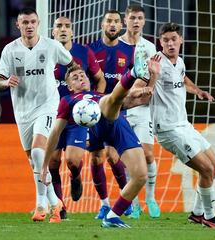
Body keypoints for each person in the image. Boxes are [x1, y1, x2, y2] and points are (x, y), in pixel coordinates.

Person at [41, 54, 162, 228]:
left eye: (82, 75)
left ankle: (112, 216)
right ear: (69, 86)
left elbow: (144, 99)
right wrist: (44, 166)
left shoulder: (99, 94)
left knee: (141, 175)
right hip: (99, 126)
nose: (80, 78)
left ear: (89, 80)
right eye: (75, 78)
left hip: (118, 126)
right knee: (111, 100)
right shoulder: (67, 101)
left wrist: (153, 78)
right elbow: (55, 132)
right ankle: (133, 73)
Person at [0, 7, 76, 223]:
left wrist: (73, 84)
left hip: (47, 106)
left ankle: (40, 204)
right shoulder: (10, 50)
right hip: (22, 112)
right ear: (18, 25)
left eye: (32, 22)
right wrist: (6, 82)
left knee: (40, 154)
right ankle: (55, 202)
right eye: (25, 22)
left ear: (38, 23)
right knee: (33, 162)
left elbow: (72, 64)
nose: (29, 26)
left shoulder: (51, 46)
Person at [148, 22, 215, 228]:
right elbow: (144, 89)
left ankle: (197, 213)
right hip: (167, 129)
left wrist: (199, 91)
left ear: (181, 40)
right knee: (207, 169)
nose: (170, 43)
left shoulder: (180, 62)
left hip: (183, 124)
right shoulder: (156, 63)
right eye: (166, 40)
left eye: (174, 39)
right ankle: (210, 217)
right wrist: (152, 77)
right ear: (160, 42)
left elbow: (183, 79)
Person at [49, 16, 106, 220]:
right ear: (53, 32)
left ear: (72, 31)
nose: (63, 29)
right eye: (59, 26)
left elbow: (99, 79)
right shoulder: (46, 52)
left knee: (73, 161)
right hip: (53, 114)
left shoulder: (83, 52)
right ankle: (60, 206)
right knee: (53, 161)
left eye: (67, 26)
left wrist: (93, 104)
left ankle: (75, 176)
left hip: (77, 116)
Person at [88, 9, 135, 219]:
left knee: (114, 155)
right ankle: (105, 204)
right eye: (109, 21)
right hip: (92, 112)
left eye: (116, 21)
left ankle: (128, 202)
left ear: (121, 25)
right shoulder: (91, 50)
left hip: (116, 111)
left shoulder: (129, 51)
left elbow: (135, 80)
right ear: (102, 25)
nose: (113, 25)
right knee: (97, 158)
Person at [119, 4, 160, 219]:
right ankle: (134, 204)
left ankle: (150, 197)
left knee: (148, 154)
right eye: (132, 17)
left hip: (143, 108)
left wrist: (149, 86)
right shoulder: (118, 45)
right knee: (129, 159)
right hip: (122, 110)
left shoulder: (150, 47)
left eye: (140, 18)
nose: (136, 21)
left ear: (144, 21)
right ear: (125, 20)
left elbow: (155, 76)